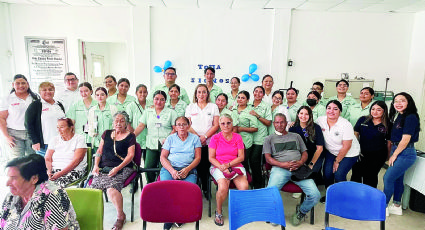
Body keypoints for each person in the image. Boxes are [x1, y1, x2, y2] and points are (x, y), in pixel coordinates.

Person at [264, 113, 320, 226]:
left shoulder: (296, 136)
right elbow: (268, 159)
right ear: (274, 124)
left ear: (286, 123)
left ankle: (301, 211)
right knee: (271, 192)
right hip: (280, 169)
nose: (279, 124)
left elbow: (305, 153)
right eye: (277, 122)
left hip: (298, 169)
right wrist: (283, 164)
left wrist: (300, 162)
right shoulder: (269, 139)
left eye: (282, 122)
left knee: (315, 195)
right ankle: (275, 213)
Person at [0, 154, 79, 230]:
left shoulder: (51, 196)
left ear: (34, 179)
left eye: (14, 178)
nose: (7, 183)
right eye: (9, 177)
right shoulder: (12, 196)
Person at [90, 111, 136, 230]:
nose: (118, 123)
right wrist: (95, 165)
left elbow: (130, 156)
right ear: (113, 122)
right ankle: (92, 216)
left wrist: (117, 168)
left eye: (122, 121)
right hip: (104, 167)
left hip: (123, 167)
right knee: (93, 189)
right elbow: (99, 151)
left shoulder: (130, 136)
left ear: (126, 123)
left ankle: (120, 217)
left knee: (111, 189)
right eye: (116, 120)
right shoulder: (106, 133)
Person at [160, 116, 202, 230]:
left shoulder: (195, 139)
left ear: (188, 125)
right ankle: (169, 217)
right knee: (168, 189)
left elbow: (198, 158)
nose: (181, 127)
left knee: (187, 191)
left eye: (184, 124)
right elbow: (163, 157)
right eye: (179, 124)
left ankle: (180, 216)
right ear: (175, 127)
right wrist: (172, 171)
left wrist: (187, 169)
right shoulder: (170, 138)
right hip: (170, 168)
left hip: (189, 169)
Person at [316, 100, 360, 203]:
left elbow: (347, 146)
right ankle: (330, 195)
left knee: (339, 174)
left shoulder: (345, 124)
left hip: (349, 153)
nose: (331, 111)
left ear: (340, 111)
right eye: (329, 108)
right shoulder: (320, 120)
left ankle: (343, 197)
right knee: (327, 173)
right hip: (332, 151)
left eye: (335, 109)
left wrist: (337, 161)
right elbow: (309, 125)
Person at [384, 92, 420, 216]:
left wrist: (394, 155)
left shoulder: (411, 117)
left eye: (402, 101)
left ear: (409, 102)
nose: (398, 103)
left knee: (387, 177)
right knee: (398, 179)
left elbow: (405, 139)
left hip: (405, 152)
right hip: (398, 149)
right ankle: (396, 205)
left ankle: (383, 207)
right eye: (396, 101)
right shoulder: (400, 116)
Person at [209, 114, 249, 226]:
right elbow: (211, 157)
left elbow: (241, 157)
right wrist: (223, 167)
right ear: (219, 125)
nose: (226, 125)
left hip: (235, 164)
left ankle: (238, 210)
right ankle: (218, 211)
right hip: (218, 165)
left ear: (232, 124)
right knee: (223, 187)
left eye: (228, 123)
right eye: (223, 123)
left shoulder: (237, 137)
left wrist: (229, 165)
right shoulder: (215, 138)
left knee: (244, 187)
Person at [135, 90, 177, 183]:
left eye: (162, 99)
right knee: (148, 167)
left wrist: (168, 138)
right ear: (153, 100)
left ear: (165, 101)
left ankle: (161, 186)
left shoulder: (171, 112)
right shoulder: (148, 112)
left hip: (166, 144)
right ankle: (151, 185)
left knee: (164, 168)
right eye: (156, 99)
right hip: (151, 144)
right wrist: (132, 137)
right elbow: (141, 126)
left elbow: (175, 128)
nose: (159, 102)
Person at [185, 84, 220, 196]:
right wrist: (198, 138)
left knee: (205, 166)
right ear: (196, 94)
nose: (201, 94)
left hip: (209, 142)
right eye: (199, 92)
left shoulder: (213, 106)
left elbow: (216, 125)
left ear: (207, 94)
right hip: (194, 142)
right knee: (194, 165)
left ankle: (205, 189)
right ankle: (193, 189)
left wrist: (204, 137)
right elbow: (188, 125)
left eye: (204, 92)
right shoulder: (190, 107)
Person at [351, 101, 391, 188]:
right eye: (373, 109)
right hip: (361, 153)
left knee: (370, 176)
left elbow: (389, 142)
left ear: (384, 111)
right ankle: (354, 195)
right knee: (356, 174)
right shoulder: (363, 119)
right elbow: (356, 134)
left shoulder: (388, 124)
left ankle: (368, 197)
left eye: (378, 110)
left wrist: (388, 156)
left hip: (378, 155)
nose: (375, 112)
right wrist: (356, 150)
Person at [0, 74, 38, 158]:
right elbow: (1, 119)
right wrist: (7, 137)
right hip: (14, 135)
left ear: (27, 84)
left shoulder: (35, 97)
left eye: (23, 83)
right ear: (13, 85)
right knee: (17, 161)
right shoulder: (7, 98)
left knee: (32, 160)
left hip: (31, 133)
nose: (21, 85)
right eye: (18, 83)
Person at [25, 82, 66, 156]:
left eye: (50, 89)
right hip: (44, 145)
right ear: (39, 92)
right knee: (44, 166)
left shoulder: (59, 104)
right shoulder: (35, 105)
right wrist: (34, 141)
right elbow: (28, 125)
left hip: (60, 143)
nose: (48, 92)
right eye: (44, 90)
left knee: (59, 165)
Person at [45, 118, 88, 187]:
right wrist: (49, 171)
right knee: (39, 183)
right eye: (57, 127)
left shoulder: (79, 139)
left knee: (55, 185)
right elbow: (48, 158)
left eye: (62, 127)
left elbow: (77, 161)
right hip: (55, 170)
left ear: (71, 127)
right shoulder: (54, 139)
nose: (58, 130)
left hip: (74, 171)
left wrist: (60, 174)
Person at [289, 106, 325, 180]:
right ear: (298, 115)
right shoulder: (293, 128)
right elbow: (292, 148)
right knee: (299, 174)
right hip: (300, 157)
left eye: (306, 114)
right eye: (301, 113)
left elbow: (319, 149)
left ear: (310, 116)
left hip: (315, 156)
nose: (303, 116)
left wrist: (311, 164)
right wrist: (300, 161)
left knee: (310, 175)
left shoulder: (316, 128)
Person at [248, 86, 272, 188]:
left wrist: (257, 115)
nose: (258, 93)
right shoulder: (248, 104)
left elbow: (268, 122)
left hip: (260, 138)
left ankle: (258, 185)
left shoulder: (266, 106)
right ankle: (251, 182)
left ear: (263, 94)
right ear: (253, 93)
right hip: (248, 138)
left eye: (260, 92)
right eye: (256, 91)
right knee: (247, 161)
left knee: (255, 161)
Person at [232, 91, 258, 182]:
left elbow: (255, 128)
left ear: (247, 100)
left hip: (245, 141)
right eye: (238, 97)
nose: (240, 99)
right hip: (233, 141)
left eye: (243, 98)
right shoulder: (232, 109)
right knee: (235, 162)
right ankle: (236, 181)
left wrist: (242, 129)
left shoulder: (250, 111)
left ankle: (247, 181)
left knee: (243, 162)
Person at [88, 87, 118, 152]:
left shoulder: (113, 108)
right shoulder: (92, 110)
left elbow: (116, 125)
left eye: (102, 94)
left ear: (106, 96)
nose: (100, 97)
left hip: (110, 141)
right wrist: (92, 133)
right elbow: (90, 125)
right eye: (97, 95)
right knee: (97, 160)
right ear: (95, 97)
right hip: (96, 142)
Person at [126, 84, 148, 159]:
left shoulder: (151, 105)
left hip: (149, 139)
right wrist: (133, 135)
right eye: (140, 92)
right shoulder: (131, 106)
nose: (142, 94)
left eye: (144, 92)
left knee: (148, 164)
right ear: (136, 93)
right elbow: (127, 123)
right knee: (136, 162)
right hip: (137, 138)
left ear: (147, 93)